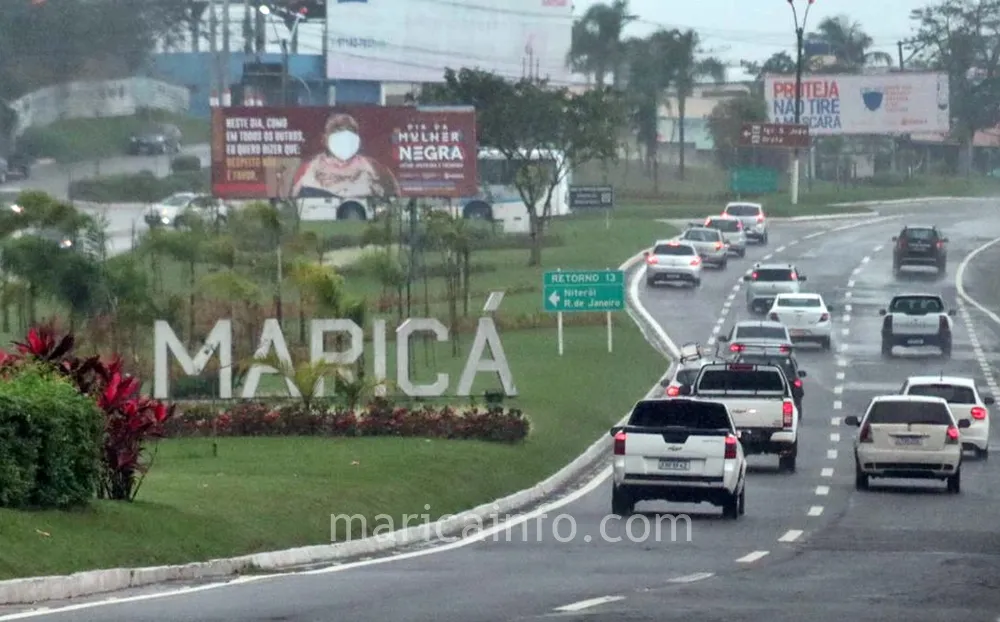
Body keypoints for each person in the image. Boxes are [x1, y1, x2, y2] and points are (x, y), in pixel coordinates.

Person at [290, 112, 400, 199]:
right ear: (324, 139)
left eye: (349, 136)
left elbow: (392, 193)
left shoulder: (374, 168)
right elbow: (295, 194)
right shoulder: (309, 167)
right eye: (338, 136)